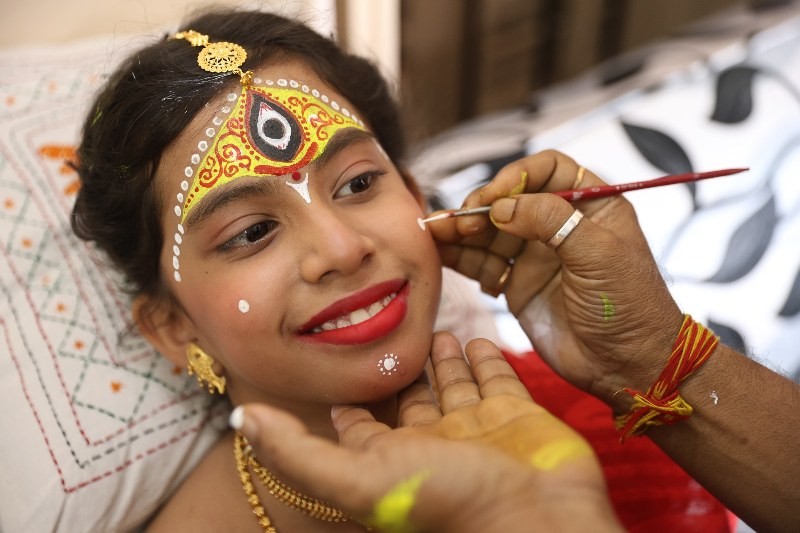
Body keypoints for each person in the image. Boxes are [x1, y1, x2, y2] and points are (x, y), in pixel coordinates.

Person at [71, 7, 732, 532]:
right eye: (252, 232)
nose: (342, 248)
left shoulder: (600, 417)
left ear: (416, 197)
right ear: (174, 329)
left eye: (358, 183)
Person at [231, 331, 623, 533]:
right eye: (254, 232)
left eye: (357, 197)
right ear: (190, 333)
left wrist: (523, 515)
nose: (343, 249)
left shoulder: (616, 403)